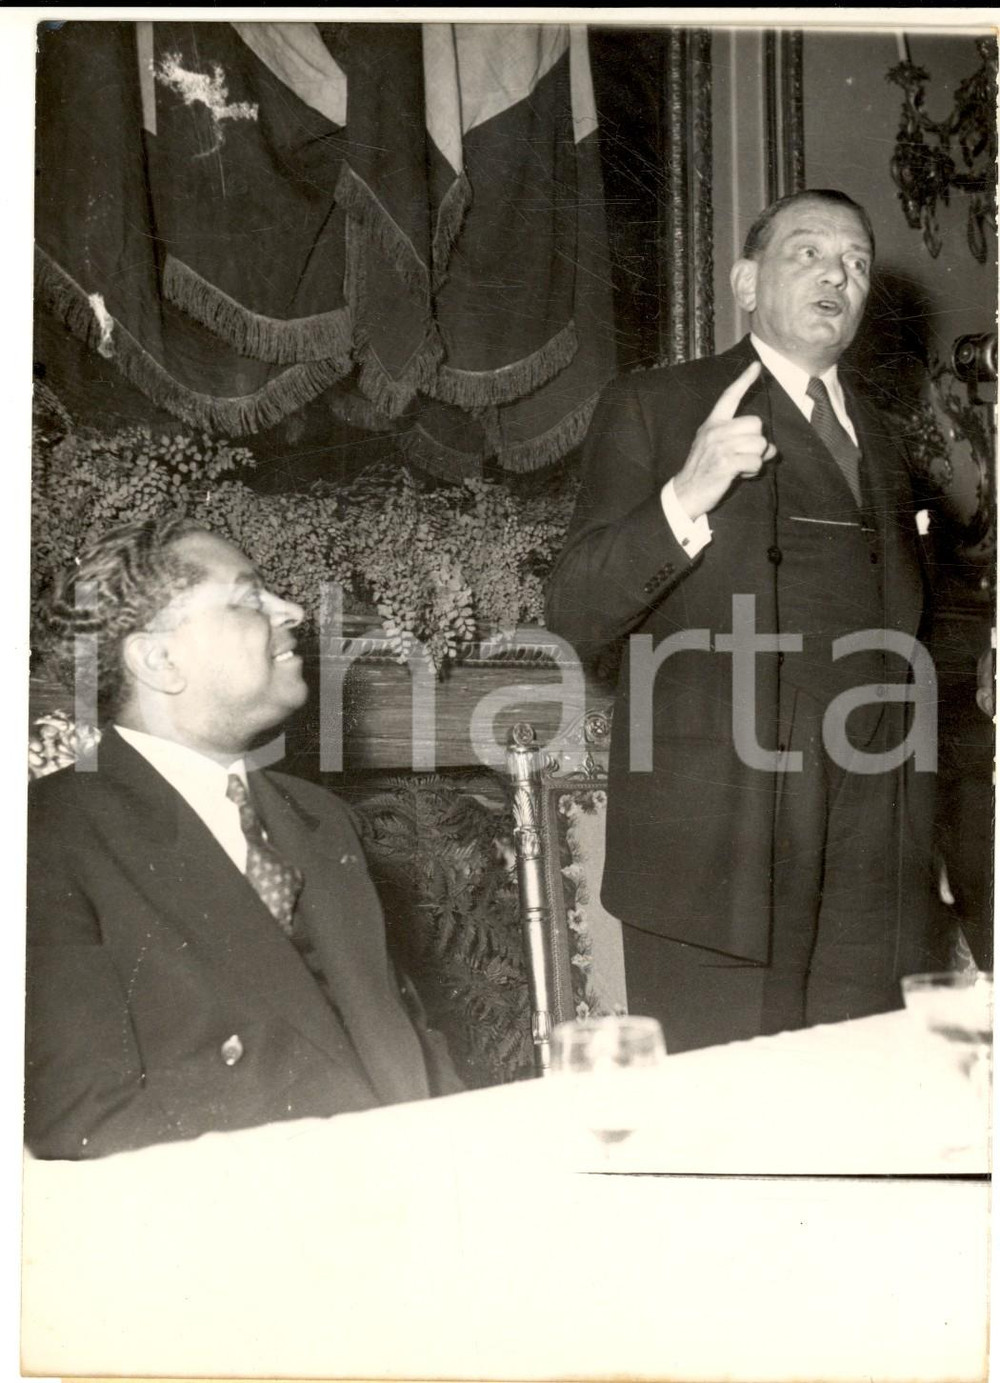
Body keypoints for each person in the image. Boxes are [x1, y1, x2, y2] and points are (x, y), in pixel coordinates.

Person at [546, 189, 939, 1053]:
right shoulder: (656, 404)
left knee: (856, 1119)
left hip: (871, 856)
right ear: (745, 281)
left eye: (858, 261)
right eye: (809, 252)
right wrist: (683, 498)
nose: (839, 272)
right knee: (729, 1133)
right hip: (719, 853)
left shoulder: (882, 438)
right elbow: (574, 608)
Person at [26, 516, 462, 1160]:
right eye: (247, 600)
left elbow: (413, 1054)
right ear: (159, 659)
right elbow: (89, 1124)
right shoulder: (48, 836)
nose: (293, 611)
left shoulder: (318, 819)